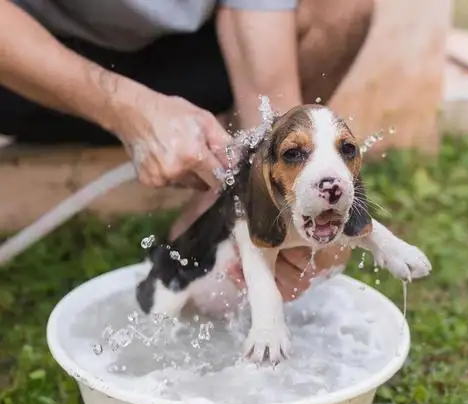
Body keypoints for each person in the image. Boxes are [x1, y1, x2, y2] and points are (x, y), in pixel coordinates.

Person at [0, 0, 374, 303]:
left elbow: (270, 101)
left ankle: (205, 227)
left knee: (340, 7)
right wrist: (122, 106)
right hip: (25, 63)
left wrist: (285, 204)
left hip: (179, 58)